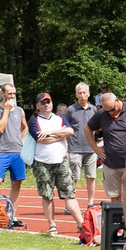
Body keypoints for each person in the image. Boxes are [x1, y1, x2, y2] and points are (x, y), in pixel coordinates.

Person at [26, 89, 87, 241]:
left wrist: (52, 132)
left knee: (70, 193)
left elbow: (70, 131)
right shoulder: (34, 121)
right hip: (42, 163)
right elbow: (41, 139)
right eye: (43, 103)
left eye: (49, 102)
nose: (47, 105)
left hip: (61, 162)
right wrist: (59, 135)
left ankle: (81, 223)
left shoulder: (59, 117)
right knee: (47, 195)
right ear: (37, 106)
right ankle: (52, 224)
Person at [0, 79, 29, 231]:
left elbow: (24, 127)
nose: (12, 97)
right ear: (2, 94)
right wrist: (6, 110)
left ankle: (11, 215)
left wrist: (22, 144)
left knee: (17, 183)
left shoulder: (20, 111)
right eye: (9, 94)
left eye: (14, 94)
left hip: (17, 152)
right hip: (2, 152)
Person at [86, 91, 126, 217]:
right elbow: (87, 129)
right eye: (108, 111)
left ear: (117, 100)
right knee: (114, 197)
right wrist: (96, 149)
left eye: (113, 109)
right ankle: (118, 222)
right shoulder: (102, 114)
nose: (111, 113)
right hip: (111, 163)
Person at [69, 81, 100, 211]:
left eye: (84, 93)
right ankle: (70, 202)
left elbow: (98, 127)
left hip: (90, 148)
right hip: (75, 148)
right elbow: (66, 128)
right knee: (74, 177)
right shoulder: (71, 110)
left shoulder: (94, 109)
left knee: (91, 176)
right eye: (79, 93)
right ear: (76, 95)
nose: (82, 95)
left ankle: (90, 202)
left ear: (88, 94)